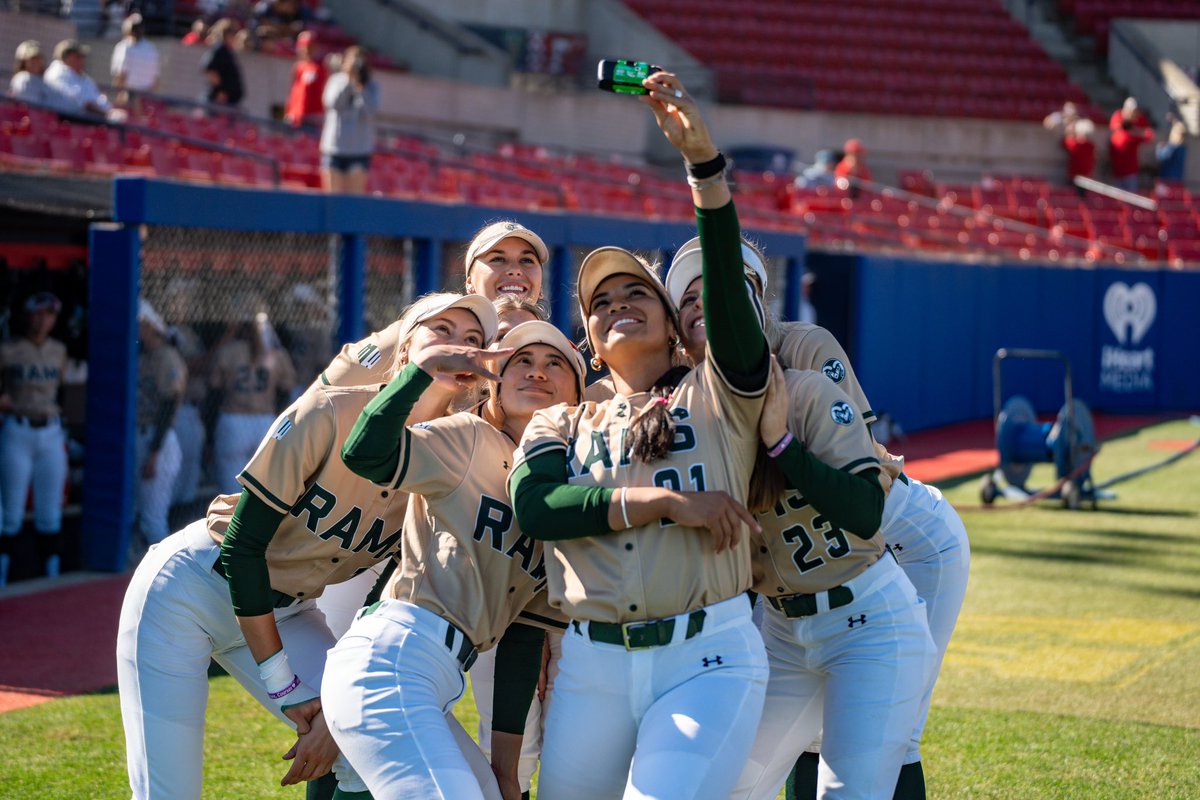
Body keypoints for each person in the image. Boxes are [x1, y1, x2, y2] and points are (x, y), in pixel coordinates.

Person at [116, 292, 499, 800]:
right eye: (442, 330)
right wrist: (281, 681)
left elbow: (387, 596)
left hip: (291, 612)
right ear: (405, 349)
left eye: (473, 340)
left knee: (370, 746)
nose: (459, 346)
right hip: (188, 591)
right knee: (167, 791)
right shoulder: (332, 409)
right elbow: (242, 545)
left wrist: (337, 710)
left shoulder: (450, 459)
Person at [509, 71, 771, 800]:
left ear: (671, 322)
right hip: (592, 665)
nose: (618, 305)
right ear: (588, 340)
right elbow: (538, 509)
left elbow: (725, 296)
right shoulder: (561, 419)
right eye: (600, 302)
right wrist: (662, 503)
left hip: (707, 655)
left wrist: (704, 170)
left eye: (637, 294)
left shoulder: (718, 390)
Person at [664, 239, 940, 800]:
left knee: (863, 779)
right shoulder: (688, 411)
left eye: (715, 293)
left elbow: (867, 511)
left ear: (755, 305)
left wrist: (783, 444)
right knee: (728, 784)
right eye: (688, 299)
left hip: (870, 603)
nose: (704, 306)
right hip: (785, 626)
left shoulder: (806, 379)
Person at [325, 319, 585, 798]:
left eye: (555, 363)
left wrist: (506, 772)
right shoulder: (468, 438)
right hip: (393, 658)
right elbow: (365, 454)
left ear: (578, 395)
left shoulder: (564, 500)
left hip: (435, 681)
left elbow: (523, 641)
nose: (537, 372)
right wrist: (420, 371)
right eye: (520, 361)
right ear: (496, 388)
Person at [316, 220, 549, 390]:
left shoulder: (555, 354)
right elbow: (323, 395)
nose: (515, 269)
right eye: (497, 259)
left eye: (527, 260)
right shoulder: (419, 333)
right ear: (469, 282)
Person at [0, 293, 69, 586]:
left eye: (49, 315)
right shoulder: (9, 349)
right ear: (28, 316)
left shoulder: (59, 350)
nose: (43, 320)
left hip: (51, 431)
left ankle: (51, 580)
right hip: (18, 428)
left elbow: (64, 391)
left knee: (50, 512)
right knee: (11, 513)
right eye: (38, 314)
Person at [206, 305, 297, 495]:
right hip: (265, 421)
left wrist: (209, 433)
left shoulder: (228, 351)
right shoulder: (276, 353)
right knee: (263, 491)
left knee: (231, 495)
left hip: (233, 420)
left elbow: (214, 390)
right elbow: (288, 388)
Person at [134, 299, 186, 548]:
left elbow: (169, 402)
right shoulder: (141, 355)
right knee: (139, 515)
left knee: (153, 520)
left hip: (157, 438)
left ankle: (164, 578)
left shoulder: (166, 356)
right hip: (140, 435)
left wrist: (155, 451)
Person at [319, 46, 379, 194]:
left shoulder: (371, 86)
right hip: (334, 148)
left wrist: (361, 87)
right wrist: (348, 80)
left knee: (354, 201)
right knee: (333, 200)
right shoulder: (336, 80)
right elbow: (332, 103)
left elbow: (370, 111)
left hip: (359, 150)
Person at [44, 39, 112, 117]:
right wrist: (106, 114)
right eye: (79, 56)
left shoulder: (83, 77)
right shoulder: (56, 73)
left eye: (83, 56)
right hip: (66, 119)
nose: (83, 60)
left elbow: (100, 100)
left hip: (89, 119)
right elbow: (76, 102)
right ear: (68, 57)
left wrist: (110, 112)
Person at [111, 13, 161, 99]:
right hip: (145, 96)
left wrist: (118, 96)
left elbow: (120, 75)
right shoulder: (151, 48)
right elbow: (156, 79)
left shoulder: (124, 47)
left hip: (129, 96)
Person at [284, 31, 326, 128]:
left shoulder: (320, 69)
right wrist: (290, 110)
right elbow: (294, 91)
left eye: (310, 47)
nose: (307, 50)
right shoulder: (299, 67)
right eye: (305, 47)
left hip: (312, 117)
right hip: (296, 114)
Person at [202, 19, 245, 107]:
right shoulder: (219, 50)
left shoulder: (228, 52)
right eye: (234, 34)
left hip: (229, 103)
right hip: (219, 103)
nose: (236, 38)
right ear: (227, 35)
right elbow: (211, 71)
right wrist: (220, 91)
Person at [1109, 116, 1155, 192]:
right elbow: (1148, 138)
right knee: (1131, 199)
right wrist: (1147, 130)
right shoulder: (1130, 138)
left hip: (1117, 172)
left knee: (1118, 200)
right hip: (1129, 173)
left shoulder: (1114, 138)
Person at [9, 40, 60, 106]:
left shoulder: (44, 81)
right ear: (23, 62)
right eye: (32, 59)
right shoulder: (23, 79)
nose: (36, 62)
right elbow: (31, 105)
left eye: (38, 58)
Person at [1063, 118, 1096, 186]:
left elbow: (1065, 141)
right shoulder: (1090, 146)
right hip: (1085, 177)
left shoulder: (1075, 144)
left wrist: (1070, 131)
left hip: (1077, 178)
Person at [1156, 114, 1188, 183]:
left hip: (1168, 179)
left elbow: (1161, 157)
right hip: (1174, 179)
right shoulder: (1181, 148)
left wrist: (1160, 147)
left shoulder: (1175, 148)